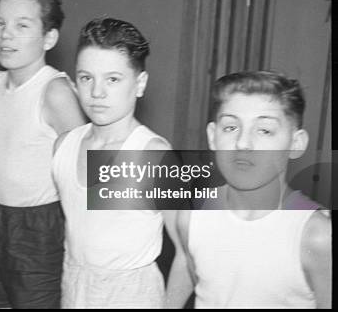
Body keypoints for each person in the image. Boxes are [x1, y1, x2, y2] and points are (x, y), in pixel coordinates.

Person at [166, 70, 332, 308]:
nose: (243, 143)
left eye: (264, 130)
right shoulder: (192, 216)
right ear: (212, 136)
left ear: (296, 143)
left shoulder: (316, 235)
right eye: (231, 127)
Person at [0, 0, 86, 309]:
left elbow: (86, 172)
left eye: (22, 25)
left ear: (49, 37)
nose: (6, 35)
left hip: (39, 226)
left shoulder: (56, 92)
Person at [52, 17, 178, 308]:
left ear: (140, 84)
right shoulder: (64, 146)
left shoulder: (154, 154)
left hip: (133, 296)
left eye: (112, 79)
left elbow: (188, 252)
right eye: (86, 78)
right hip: (75, 291)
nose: (97, 92)